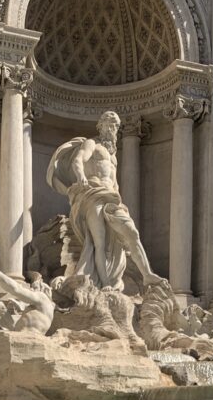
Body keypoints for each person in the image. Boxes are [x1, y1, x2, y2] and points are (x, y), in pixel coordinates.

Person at [46, 110, 163, 290]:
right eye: (109, 123)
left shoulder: (113, 156)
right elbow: (78, 160)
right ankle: (105, 284)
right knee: (98, 242)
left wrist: (118, 198)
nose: (112, 128)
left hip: (111, 198)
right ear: (100, 126)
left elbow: (115, 182)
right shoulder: (92, 144)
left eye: (115, 125)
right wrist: (81, 177)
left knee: (131, 233)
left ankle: (147, 274)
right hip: (92, 194)